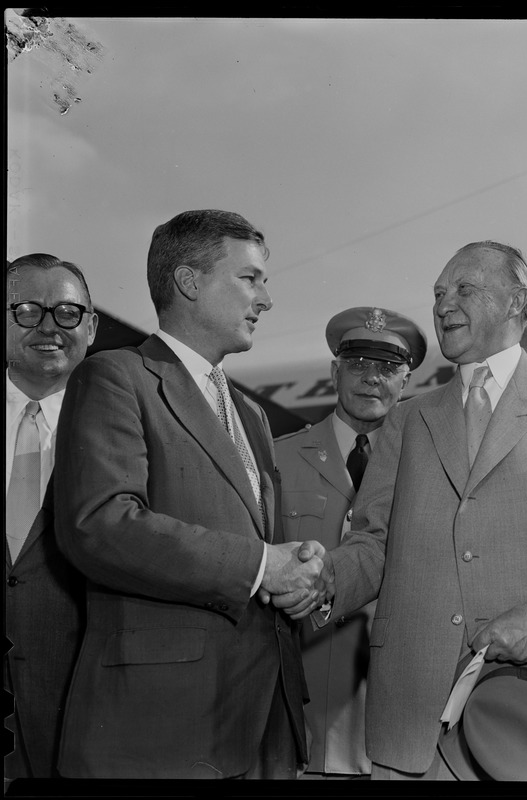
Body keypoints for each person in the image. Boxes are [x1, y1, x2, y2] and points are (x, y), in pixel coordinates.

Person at [276, 240, 527, 780]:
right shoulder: (407, 421)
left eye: (464, 289)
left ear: (516, 302)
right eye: (438, 293)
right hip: (412, 724)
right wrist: (323, 576)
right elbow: (375, 544)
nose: (443, 305)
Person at [53, 209, 325, 779]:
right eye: (250, 279)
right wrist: (261, 566)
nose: (267, 299)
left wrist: (297, 576)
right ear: (189, 281)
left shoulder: (250, 414)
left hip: (259, 726)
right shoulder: (114, 378)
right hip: (159, 732)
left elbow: (260, 552)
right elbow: (101, 525)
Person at [275, 305, 427, 778]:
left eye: (387, 368)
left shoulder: (430, 471)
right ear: (334, 372)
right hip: (305, 703)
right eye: (359, 365)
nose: (371, 379)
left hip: (397, 706)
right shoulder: (277, 458)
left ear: (406, 383)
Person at [5, 255, 97, 781]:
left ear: (91, 326)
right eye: (25, 310)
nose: (47, 328)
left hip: (81, 706)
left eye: (66, 312)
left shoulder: (130, 431)